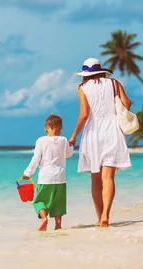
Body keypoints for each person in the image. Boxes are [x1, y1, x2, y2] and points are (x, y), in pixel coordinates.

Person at [69, 58, 132, 228]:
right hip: (113, 130)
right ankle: (106, 215)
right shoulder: (113, 83)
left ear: (85, 74)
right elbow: (127, 103)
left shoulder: (82, 88)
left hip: (93, 132)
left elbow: (84, 115)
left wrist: (74, 135)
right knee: (108, 177)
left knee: (96, 180)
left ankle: (99, 218)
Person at [21, 114, 74, 231]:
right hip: (60, 179)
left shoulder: (40, 141)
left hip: (45, 178)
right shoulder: (64, 140)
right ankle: (58, 226)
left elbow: (36, 159)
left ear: (46, 129)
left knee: (39, 201)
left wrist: (27, 173)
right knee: (58, 203)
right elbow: (68, 154)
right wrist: (71, 146)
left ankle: (44, 219)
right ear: (60, 129)